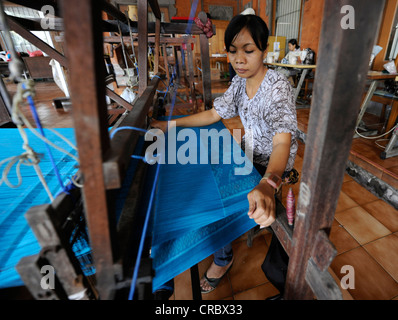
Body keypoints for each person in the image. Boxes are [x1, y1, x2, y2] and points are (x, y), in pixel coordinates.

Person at [151, 14, 298, 297]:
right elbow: (215, 113)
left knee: (214, 192)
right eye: (233, 51)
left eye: (248, 50)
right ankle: (214, 251)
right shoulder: (240, 84)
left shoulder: (278, 87)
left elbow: (282, 143)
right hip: (248, 152)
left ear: (263, 51)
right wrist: (167, 126)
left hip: (270, 164)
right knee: (202, 177)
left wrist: (268, 183)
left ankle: (222, 257)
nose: (239, 59)